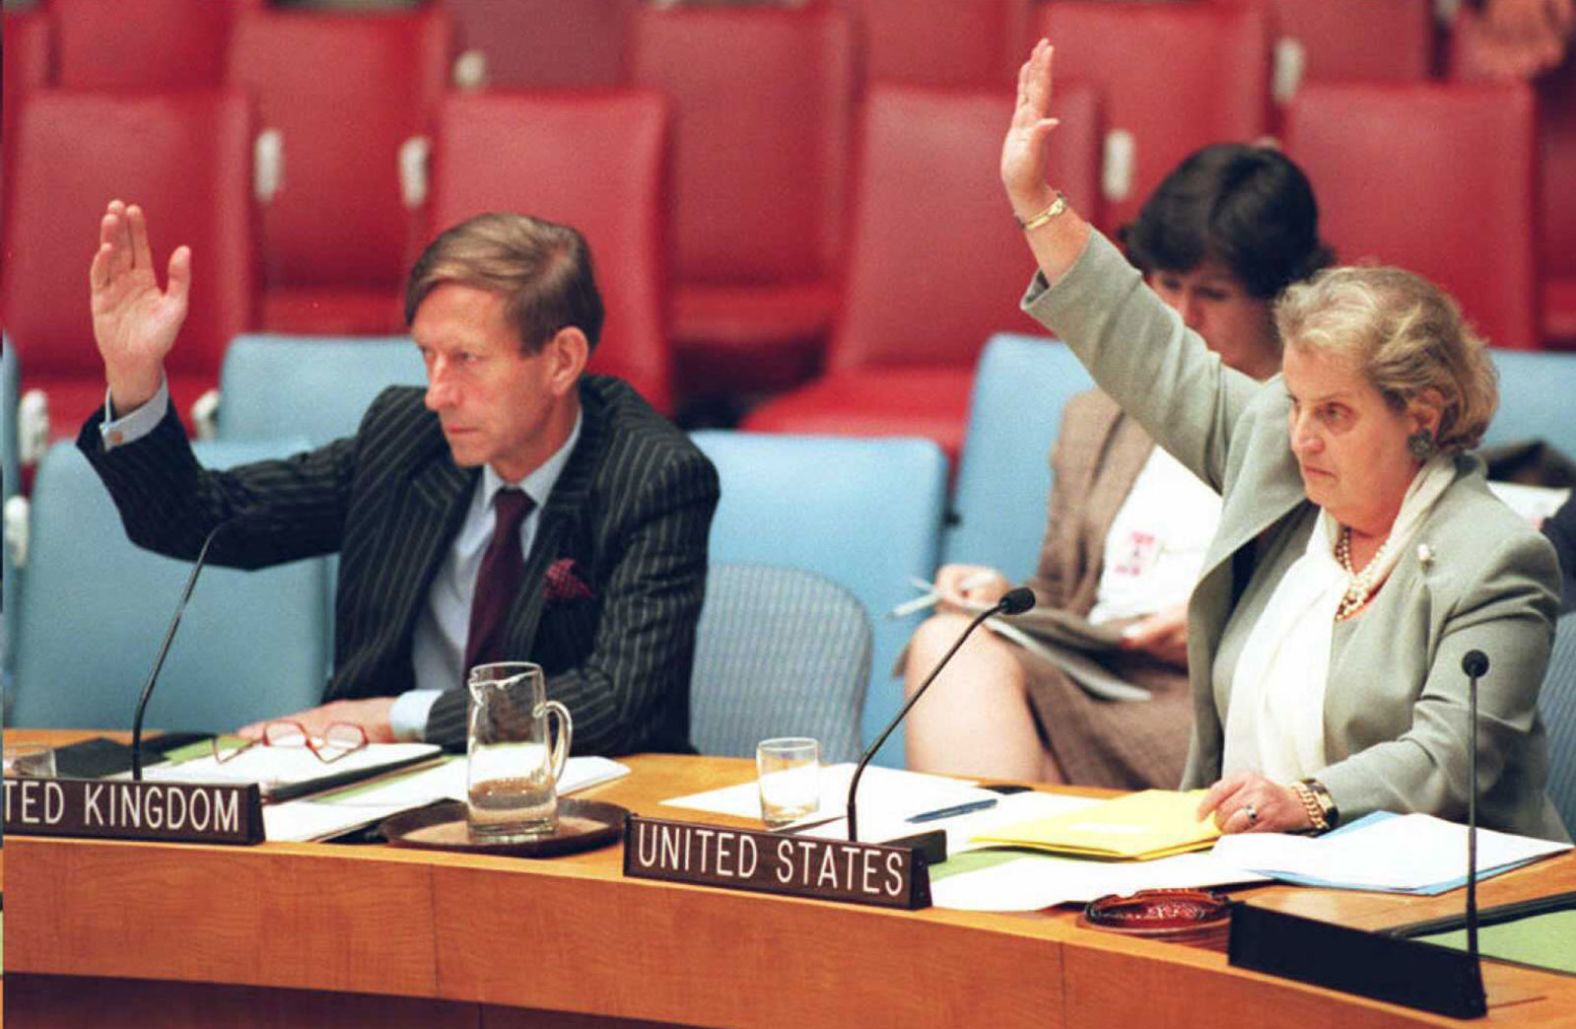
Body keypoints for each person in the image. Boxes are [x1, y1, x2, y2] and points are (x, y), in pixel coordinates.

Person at [998, 40, 1568, 840]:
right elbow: (1146, 345)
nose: (1300, 436)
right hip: (1255, 871)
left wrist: (1308, 798)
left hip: (1441, 904)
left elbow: (1449, 755)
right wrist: (1037, 202)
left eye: (1334, 413)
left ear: (1424, 414)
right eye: (1295, 403)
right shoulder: (1281, 467)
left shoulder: (1495, 557)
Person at [80, 201, 719, 753]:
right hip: (380, 805)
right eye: (427, 357)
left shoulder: (652, 478)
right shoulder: (408, 438)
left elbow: (616, 703)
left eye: (467, 359)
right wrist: (133, 377)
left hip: (572, 815)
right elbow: (198, 519)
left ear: (561, 361)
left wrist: (396, 719)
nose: (437, 394)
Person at [903, 144, 1332, 789]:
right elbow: (1058, 591)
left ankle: (1003, 875)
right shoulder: (1095, 419)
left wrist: (1221, 626)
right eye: (1166, 286)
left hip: (1216, 699)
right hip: (1091, 673)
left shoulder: (1321, 430)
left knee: (1013, 786)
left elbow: (1359, 609)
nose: (1184, 318)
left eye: (1214, 294)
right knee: (949, 640)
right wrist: (1003, 597)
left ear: (1283, 300)